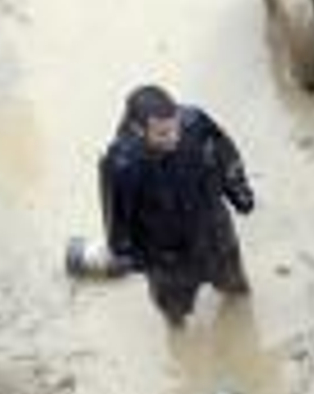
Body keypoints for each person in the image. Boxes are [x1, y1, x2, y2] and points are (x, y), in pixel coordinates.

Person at [100, 85, 256, 326]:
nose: (174, 138)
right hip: (166, 256)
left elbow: (224, 153)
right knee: (175, 310)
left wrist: (239, 190)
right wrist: (126, 255)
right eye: (162, 134)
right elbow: (117, 215)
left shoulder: (193, 121)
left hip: (214, 233)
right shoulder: (122, 164)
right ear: (138, 129)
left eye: (175, 128)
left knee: (235, 286)